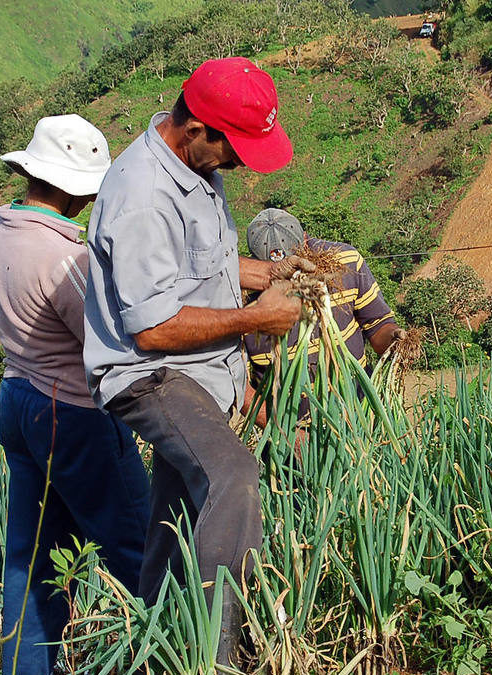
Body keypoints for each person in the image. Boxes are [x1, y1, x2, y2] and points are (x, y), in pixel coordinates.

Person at [83, 57, 313, 666]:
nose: (238, 162)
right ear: (195, 129)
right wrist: (255, 320)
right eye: (233, 147)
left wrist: (263, 274)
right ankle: (214, 655)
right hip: (150, 374)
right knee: (230, 476)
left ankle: (155, 644)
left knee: (177, 511)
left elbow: (192, 265)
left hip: (198, 369)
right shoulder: (142, 195)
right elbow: (154, 327)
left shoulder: (195, 166)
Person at [0, 114, 150, 675]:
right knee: (140, 551)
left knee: (32, 560)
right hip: (70, 413)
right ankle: (184, 652)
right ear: (76, 189)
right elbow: (110, 342)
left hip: (18, 398)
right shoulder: (62, 258)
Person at [243, 208, 405, 414]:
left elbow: (378, 326)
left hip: (357, 417)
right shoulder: (241, 299)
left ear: (305, 240)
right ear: (257, 263)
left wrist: (396, 341)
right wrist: (286, 432)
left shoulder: (345, 261)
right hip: (288, 430)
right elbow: (238, 387)